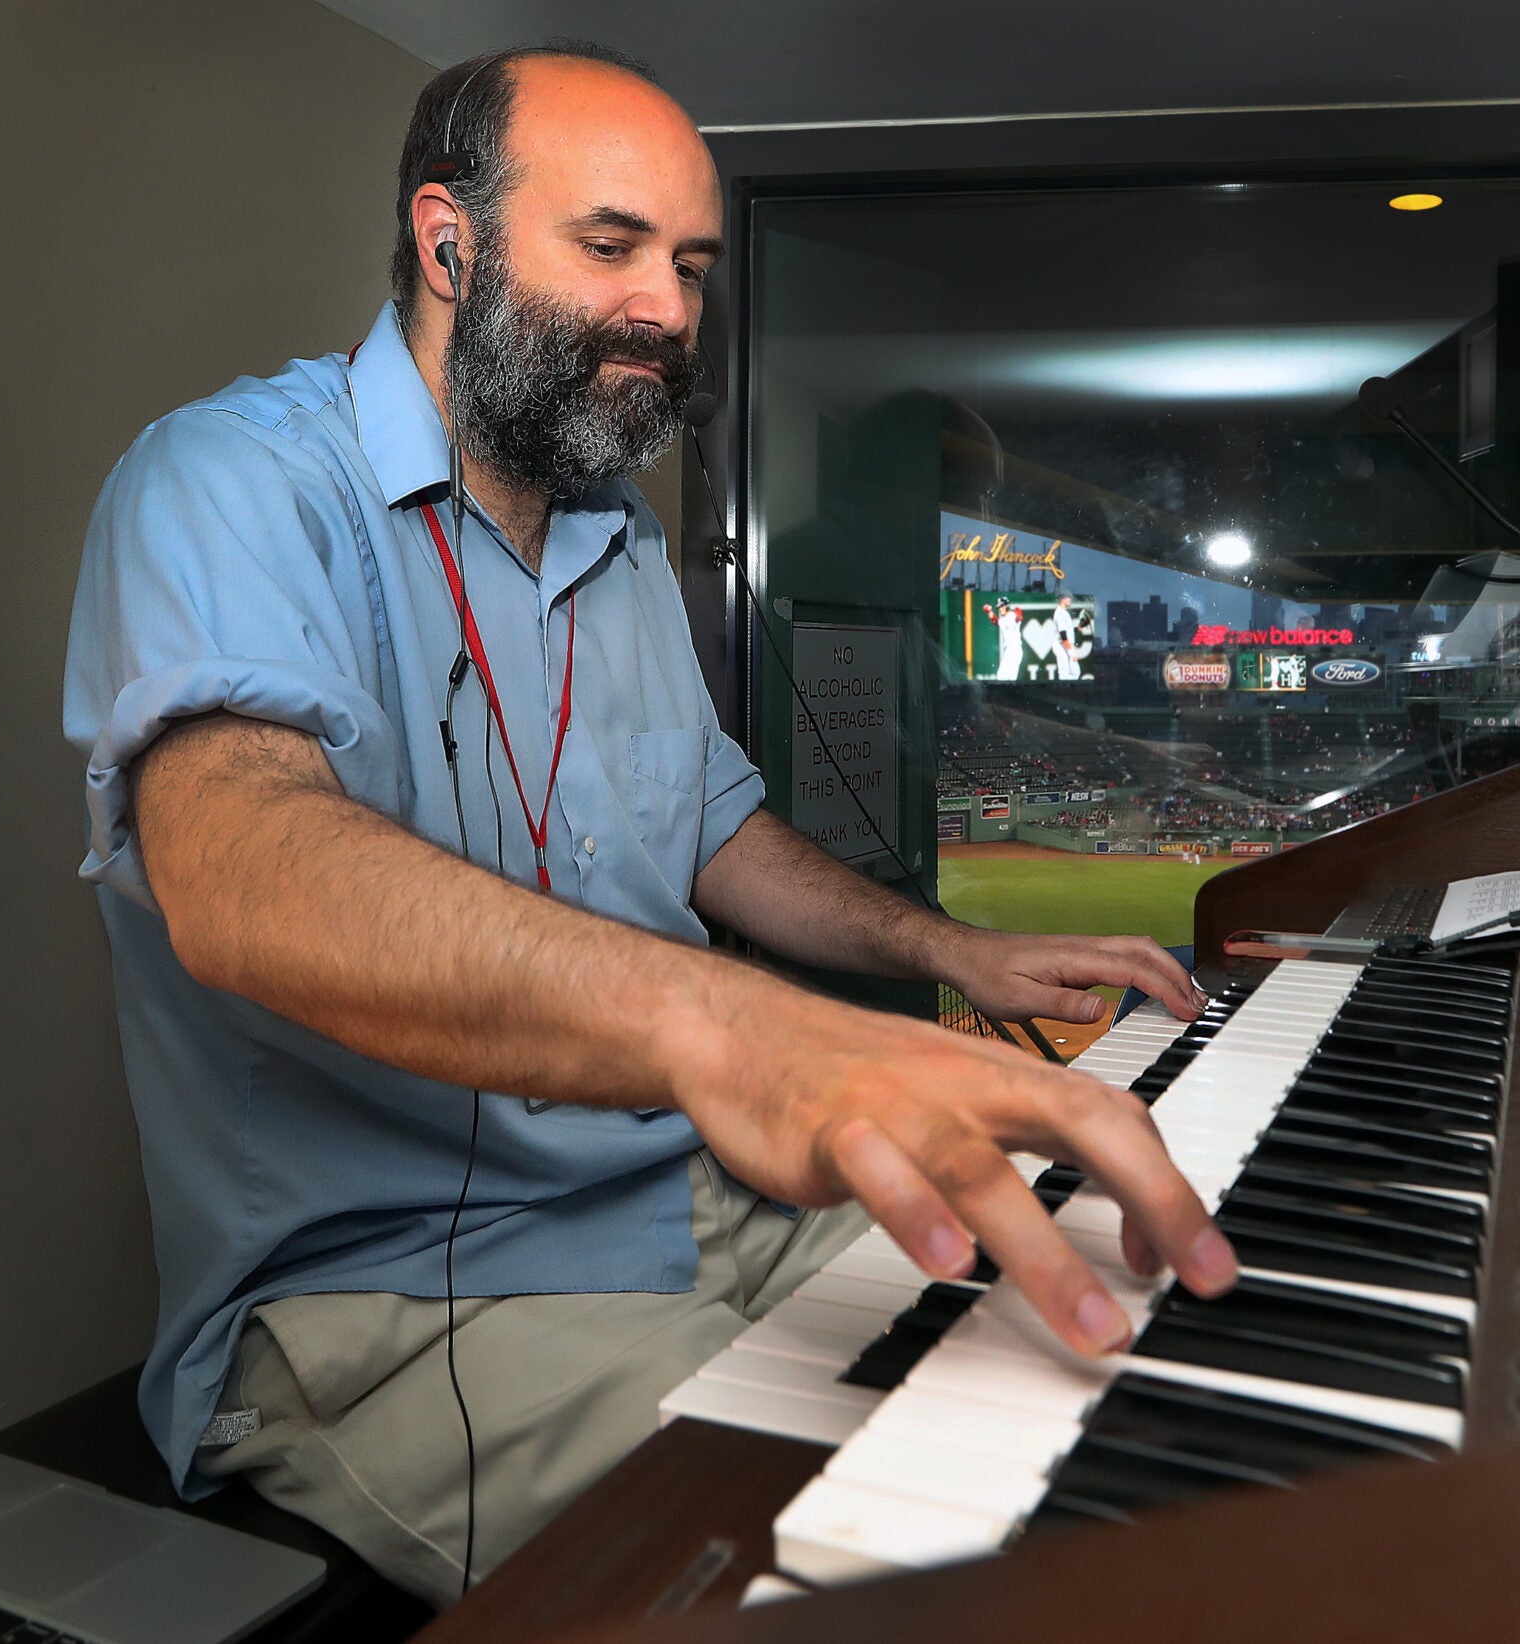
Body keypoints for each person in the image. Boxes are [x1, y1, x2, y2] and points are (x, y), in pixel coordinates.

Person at [61, 41, 1226, 1607]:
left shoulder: (616, 543)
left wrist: (960, 952)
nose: (670, 309)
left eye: (688, 264)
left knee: (1128, 1395)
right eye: (608, 247)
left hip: (693, 1209)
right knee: (926, 1566)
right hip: (401, 1304)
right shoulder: (230, 480)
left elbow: (713, 830)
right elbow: (234, 868)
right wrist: (733, 1032)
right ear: (446, 242)